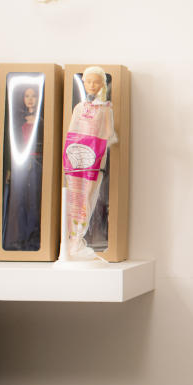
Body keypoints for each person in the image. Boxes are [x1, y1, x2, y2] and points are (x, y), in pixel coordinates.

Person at [62, 67, 116, 259]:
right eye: (88, 82)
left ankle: (78, 239)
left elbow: (109, 134)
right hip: (76, 160)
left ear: (102, 84)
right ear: (83, 83)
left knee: (86, 199)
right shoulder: (78, 108)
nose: (92, 85)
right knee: (74, 199)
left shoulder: (105, 109)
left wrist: (96, 149)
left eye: (96, 82)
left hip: (94, 160)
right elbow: (71, 132)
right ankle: (71, 241)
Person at [2, 83, 45, 251]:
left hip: (37, 163)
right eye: (27, 96)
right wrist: (10, 168)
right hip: (19, 164)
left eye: (33, 96)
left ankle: (33, 239)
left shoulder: (42, 121)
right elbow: (12, 145)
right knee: (18, 200)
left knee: (34, 200)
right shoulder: (18, 120)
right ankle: (18, 238)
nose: (30, 99)